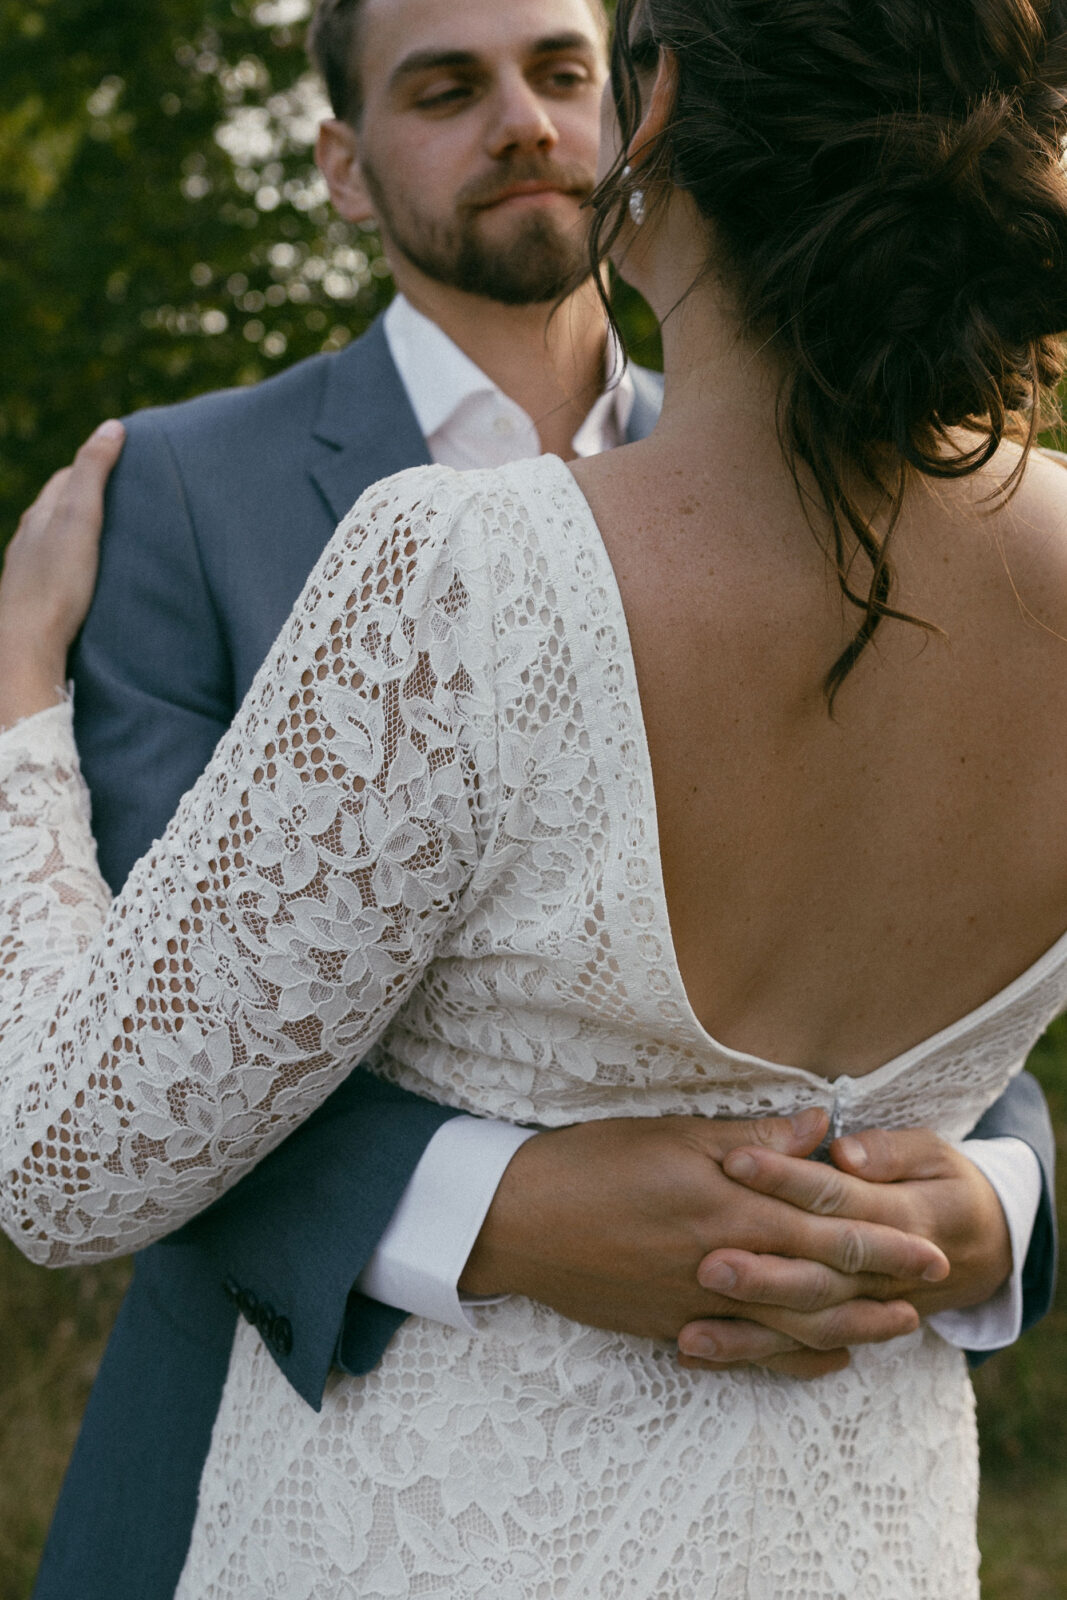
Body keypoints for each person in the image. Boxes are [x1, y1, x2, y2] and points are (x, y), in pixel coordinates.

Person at [1, 0, 1062, 1592]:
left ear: (656, 109)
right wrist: (494, 1206)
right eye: (445, 86)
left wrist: (15, 715)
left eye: (576, 66)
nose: (525, 120)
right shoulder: (179, 484)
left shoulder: (458, 564)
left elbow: (72, 1145)